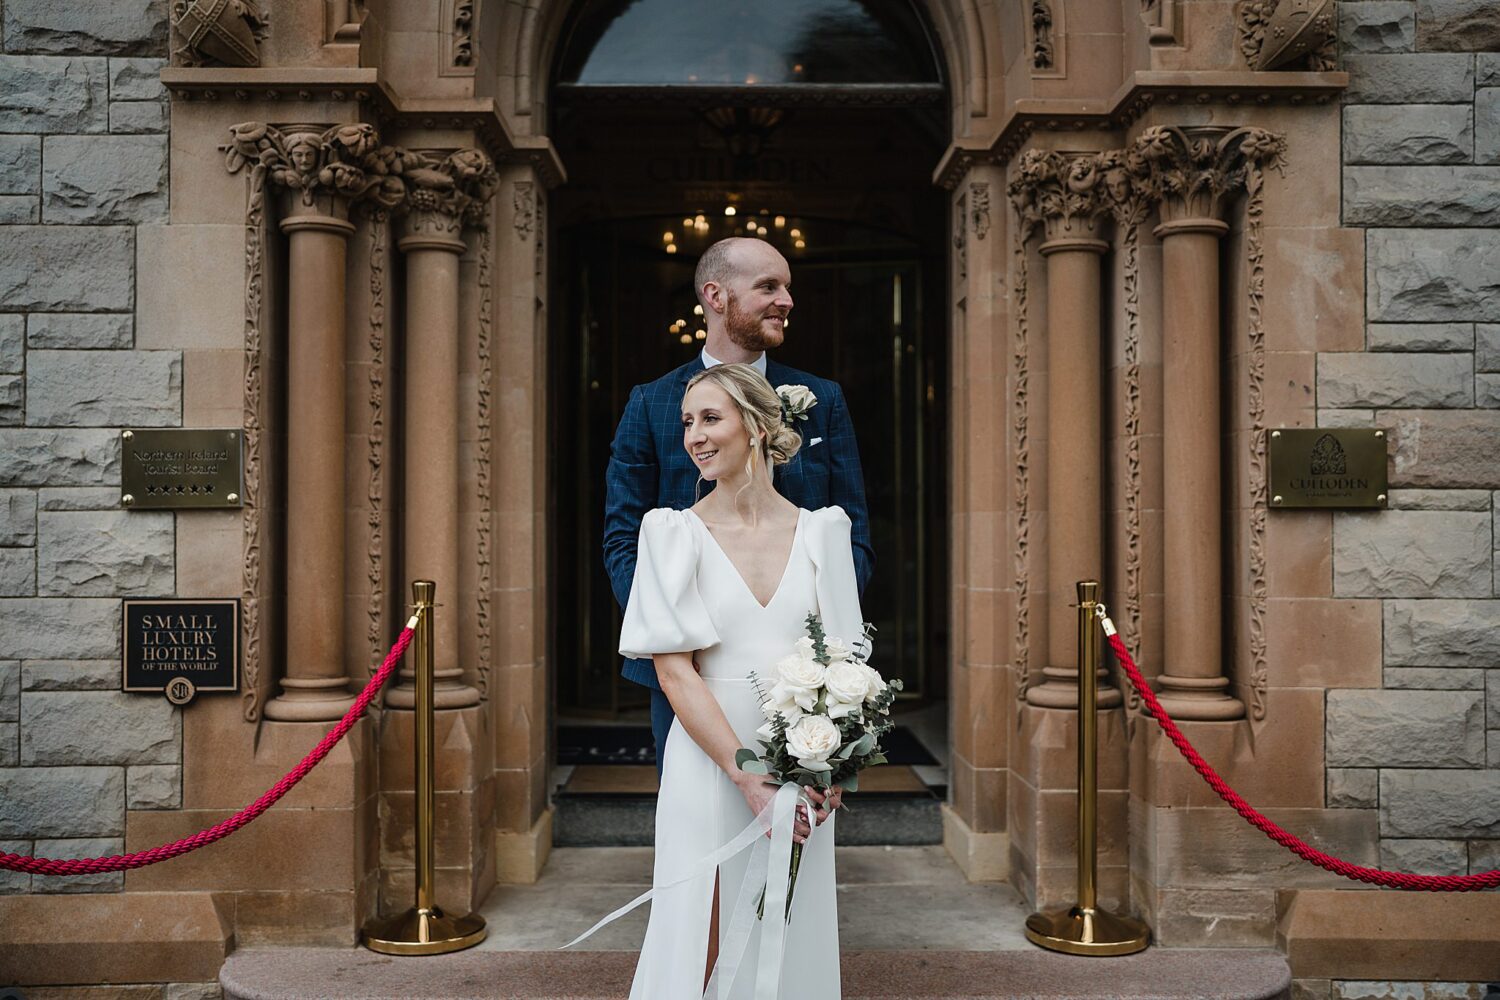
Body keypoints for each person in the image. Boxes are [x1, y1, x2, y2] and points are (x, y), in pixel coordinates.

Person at [583, 363, 859, 998]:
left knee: (788, 923)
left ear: (758, 425)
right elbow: (674, 671)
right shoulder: (671, 533)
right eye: (687, 422)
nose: (694, 437)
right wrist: (744, 774)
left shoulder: (824, 531)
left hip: (801, 760)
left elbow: (846, 664)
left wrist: (835, 764)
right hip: (710, 753)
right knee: (700, 924)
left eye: (711, 418)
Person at [603, 237, 874, 779]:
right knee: (701, 823)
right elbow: (623, 539)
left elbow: (854, 537)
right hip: (691, 669)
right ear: (716, 296)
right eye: (769, 287)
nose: (787, 301)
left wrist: (818, 648)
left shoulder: (822, 399)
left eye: (788, 288)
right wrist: (676, 645)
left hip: (803, 670)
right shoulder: (652, 402)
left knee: (797, 824)